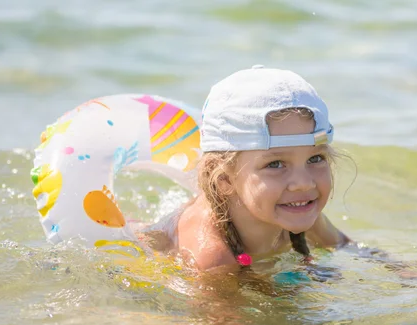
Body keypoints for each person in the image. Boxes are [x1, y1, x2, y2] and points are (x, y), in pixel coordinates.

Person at [141, 65, 351, 274]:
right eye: (275, 164)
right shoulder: (212, 258)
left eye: (315, 158)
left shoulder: (299, 209)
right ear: (225, 179)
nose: (304, 183)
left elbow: (347, 248)